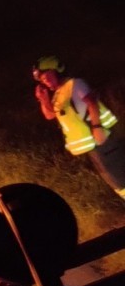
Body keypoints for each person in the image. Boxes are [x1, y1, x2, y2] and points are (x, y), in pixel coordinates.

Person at [32, 55, 125, 201]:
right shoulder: (58, 94)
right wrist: (43, 99)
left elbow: (91, 102)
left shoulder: (75, 84)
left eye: (47, 77)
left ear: (58, 71)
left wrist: (97, 128)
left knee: (120, 179)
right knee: (116, 182)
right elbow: (50, 115)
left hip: (103, 140)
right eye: (42, 80)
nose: (46, 82)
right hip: (94, 146)